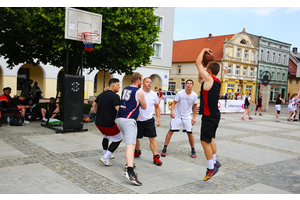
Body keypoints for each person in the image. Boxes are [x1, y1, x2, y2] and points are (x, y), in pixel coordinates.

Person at [195, 48, 222, 181]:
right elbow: (200, 79)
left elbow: (197, 63)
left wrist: (203, 50)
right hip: (214, 115)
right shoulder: (215, 81)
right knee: (210, 139)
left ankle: (211, 168)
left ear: (209, 71)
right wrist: (204, 68)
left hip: (209, 115)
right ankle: (215, 161)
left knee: (204, 141)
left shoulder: (210, 80)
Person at [116, 72, 147, 186]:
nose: (142, 82)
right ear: (138, 80)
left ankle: (129, 164)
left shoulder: (125, 89)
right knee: (131, 145)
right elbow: (144, 106)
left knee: (130, 144)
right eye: (142, 80)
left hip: (120, 118)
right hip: (129, 121)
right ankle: (129, 171)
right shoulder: (139, 91)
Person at [161, 79, 198, 158]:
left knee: (190, 133)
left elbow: (195, 106)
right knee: (171, 131)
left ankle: (193, 149)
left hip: (187, 116)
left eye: (190, 83)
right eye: (187, 83)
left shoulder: (194, 95)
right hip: (177, 115)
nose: (189, 84)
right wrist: (172, 112)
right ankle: (164, 148)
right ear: (185, 85)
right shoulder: (180, 93)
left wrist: (194, 117)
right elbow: (174, 103)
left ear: (192, 86)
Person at [92, 78, 123, 166]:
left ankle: (106, 154)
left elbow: (94, 104)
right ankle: (105, 158)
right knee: (119, 138)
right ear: (113, 86)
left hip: (98, 122)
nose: (119, 87)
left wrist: (97, 114)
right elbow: (118, 109)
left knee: (106, 136)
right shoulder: (115, 96)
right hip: (108, 123)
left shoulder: (101, 94)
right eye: (118, 85)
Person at [134, 77, 162, 166]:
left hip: (149, 119)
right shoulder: (138, 92)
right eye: (147, 82)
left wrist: (158, 118)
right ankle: (137, 151)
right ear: (143, 83)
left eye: (150, 82)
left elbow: (157, 107)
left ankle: (155, 157)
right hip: (138, 120)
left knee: (152, 138)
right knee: (136, 138)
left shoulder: (154, 94)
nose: (149, 83)